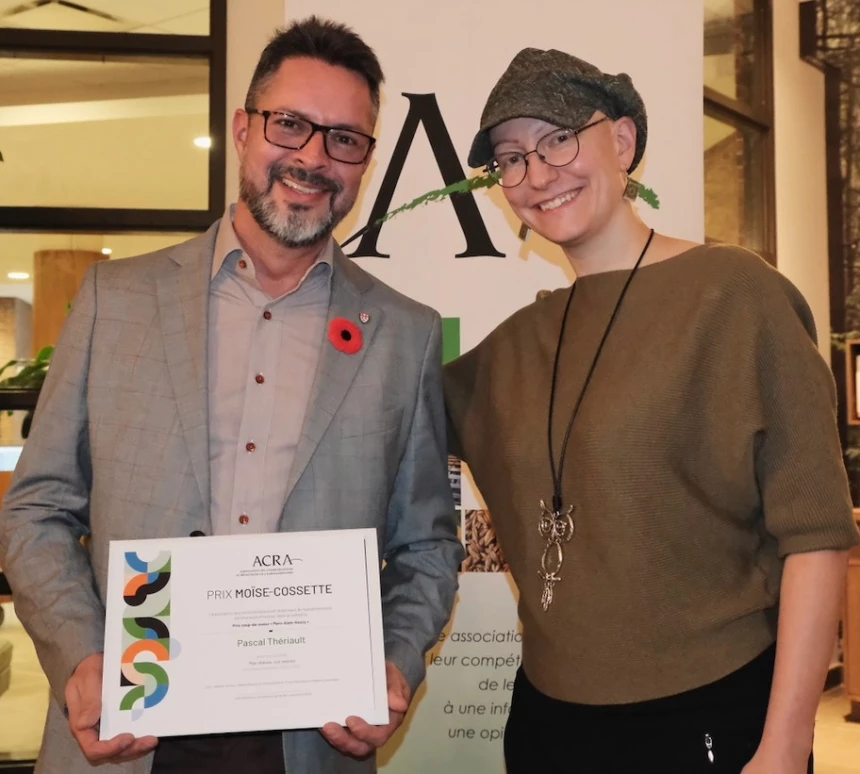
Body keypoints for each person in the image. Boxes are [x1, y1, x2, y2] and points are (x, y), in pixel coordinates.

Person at [0, 17, 462, 774]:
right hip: (129, 729)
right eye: (291, 125)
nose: (313, 157)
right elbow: (38, 505)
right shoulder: (117, 299)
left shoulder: (402, 336)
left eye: (344, 139)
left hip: (308, 739)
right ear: (245, 129)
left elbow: (427, 546)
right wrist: (83, 657)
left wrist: (398, 661)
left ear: (366, 163)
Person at [444, 47, 860, 773]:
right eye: (510, 159)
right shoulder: (509, 351)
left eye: (559, 138)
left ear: (624, 141)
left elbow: (816, 535)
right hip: (548, 721)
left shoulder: (736, 295)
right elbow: (371, 424)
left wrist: (786, 743)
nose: (537, 174)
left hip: (708, 711)